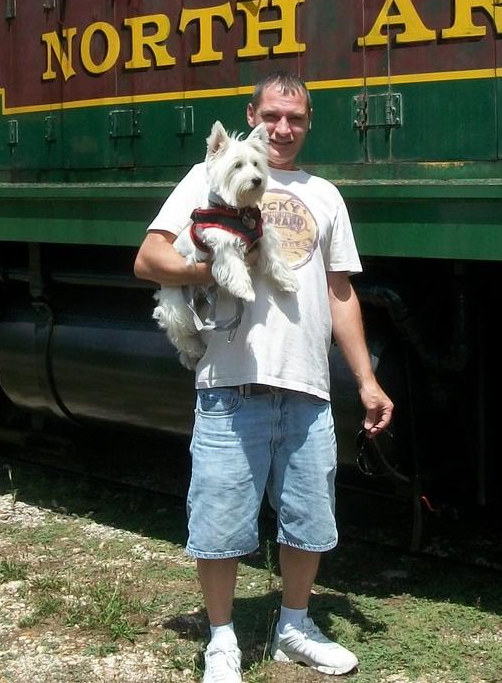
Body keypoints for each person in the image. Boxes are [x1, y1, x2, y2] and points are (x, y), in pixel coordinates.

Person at [134, 73, 393, 682]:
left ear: (306, 124)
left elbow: (339, 291)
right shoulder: (209, 175)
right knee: (221, 524)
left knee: (309, 521)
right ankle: (221, 640)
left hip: (307, 388)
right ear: (253, 116)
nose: (282, 129)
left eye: (295, 119)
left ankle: (295, 626)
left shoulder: (326, 195)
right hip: (232, 385)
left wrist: (366, 378)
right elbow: (150, 258)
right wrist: (217, 272)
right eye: (272, 116)